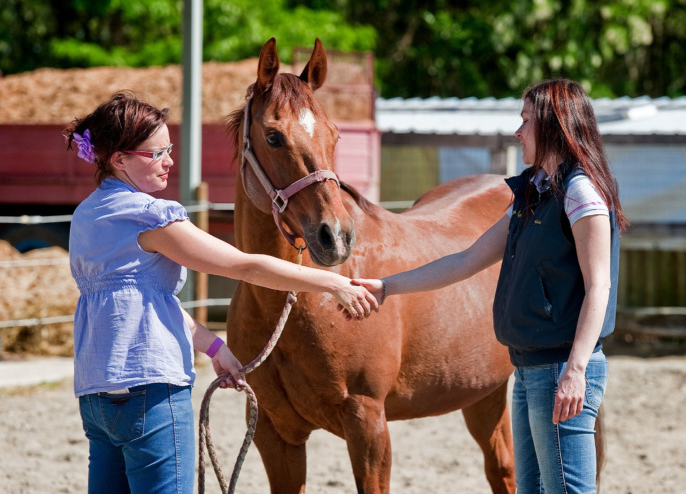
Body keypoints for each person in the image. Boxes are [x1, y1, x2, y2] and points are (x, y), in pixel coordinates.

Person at [64, 91, 378, 494]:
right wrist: (332, 281)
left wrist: (214, 347)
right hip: (151, 396)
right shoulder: (149, 217)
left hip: (97, 397)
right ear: (119, 159)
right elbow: (243, 265)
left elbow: (144, 303)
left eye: (169, 149)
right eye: (156, 154)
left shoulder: (87, 214)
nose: (169, 161)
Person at [353, 79, 628, 494]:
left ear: (554, 125)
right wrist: (386, 286)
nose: (518, 131)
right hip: (530, 369)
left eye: (526, 120)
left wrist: (575, 371)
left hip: (560, 370)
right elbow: (465, 260)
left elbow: (599, 287)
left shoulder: (580, 193)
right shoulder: (533, 194)